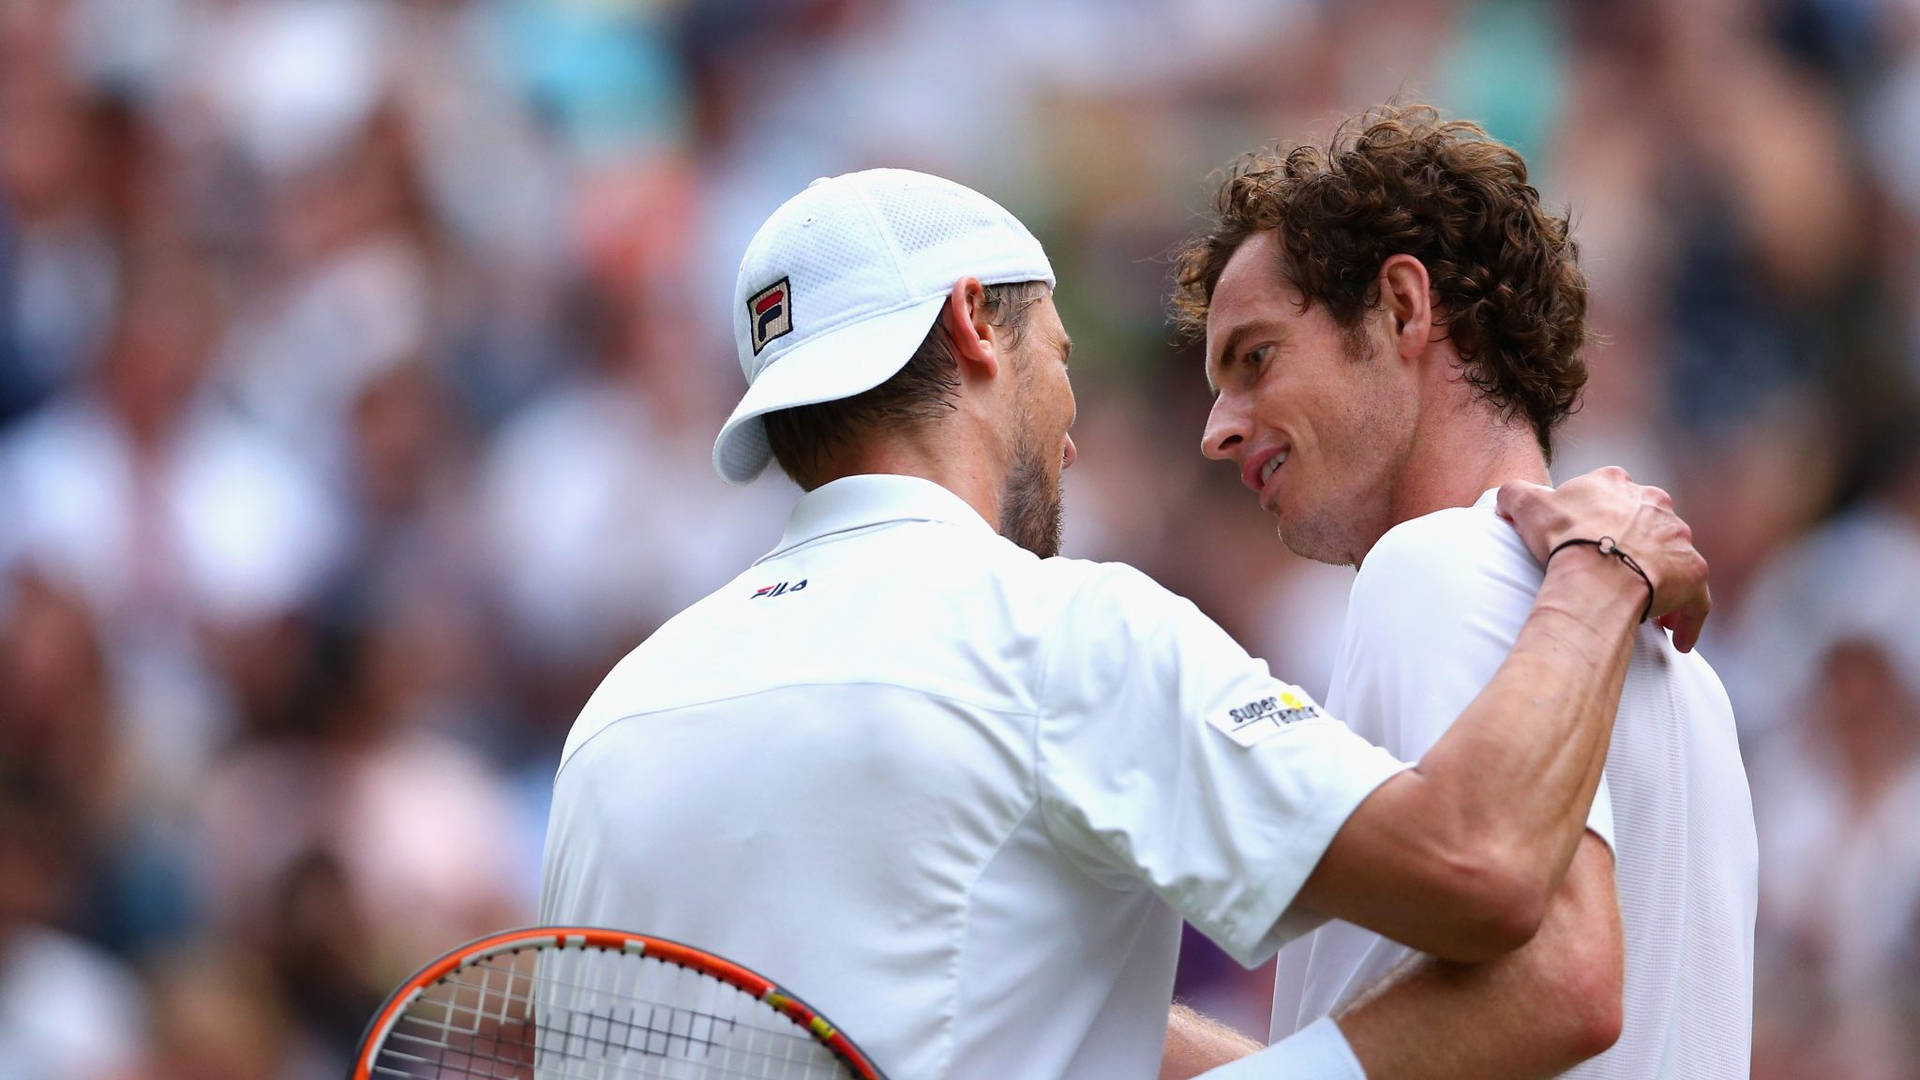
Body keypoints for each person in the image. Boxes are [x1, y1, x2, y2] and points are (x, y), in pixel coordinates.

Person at [537, 167, 1710, 1079]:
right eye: (1058, 354)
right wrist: (1603, 567)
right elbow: (1484, 869)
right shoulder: (1061, 636)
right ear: (973, 327)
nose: (1072, 428)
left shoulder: (610, 722)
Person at [1169, 105, 1756, 1078]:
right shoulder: (1696, 685)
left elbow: (1555, 993)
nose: (1217, 430)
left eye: (1257, 357)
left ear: (1403, 307)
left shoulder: (1439, 566)